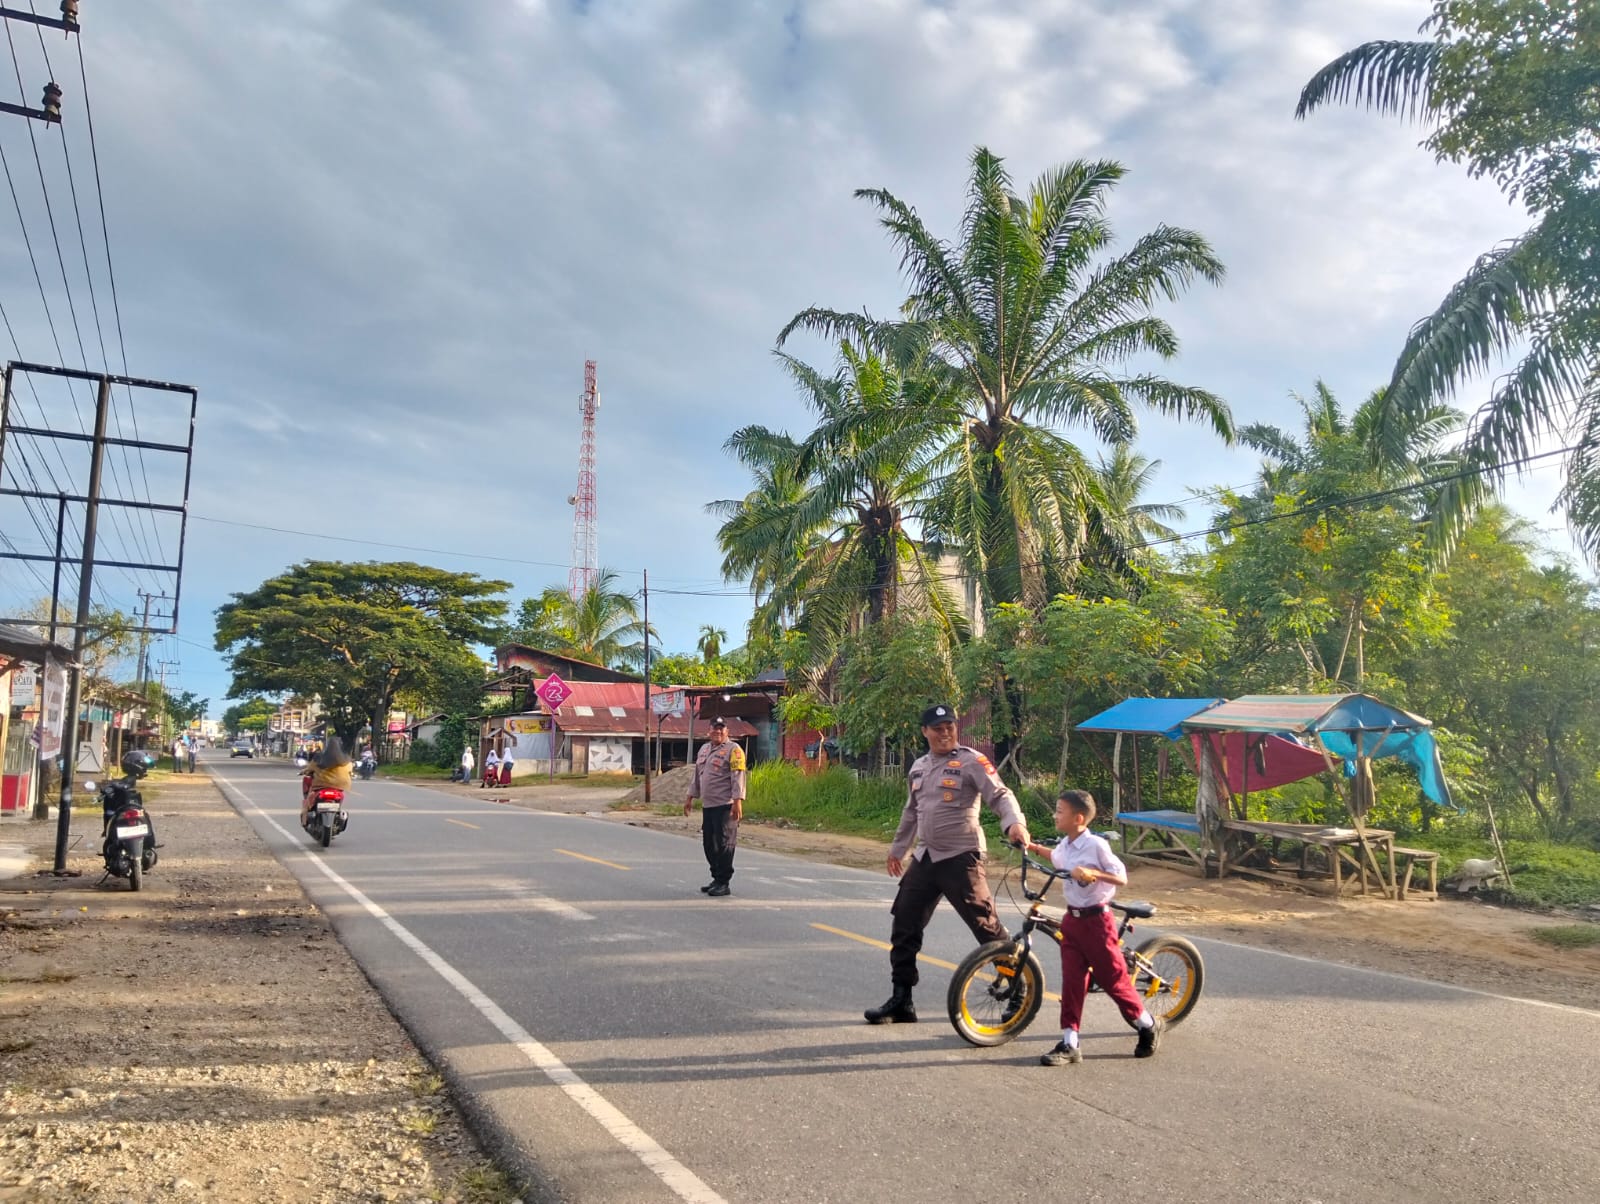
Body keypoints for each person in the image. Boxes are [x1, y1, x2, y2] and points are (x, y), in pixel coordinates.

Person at [864, 703, 1031, 1025]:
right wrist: (898, 849)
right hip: (926, 858)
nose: (945, 733)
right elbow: (911, 811)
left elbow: (1000, 794)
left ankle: (1018, 990)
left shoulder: (971, 761)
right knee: (904, 923)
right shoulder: (919, 766)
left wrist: (1014, 824)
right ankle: (902, 1000)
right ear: (925, 731)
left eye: (950, 727)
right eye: (938, 728)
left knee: (985, 926)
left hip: (961, 856)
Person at [1026, 789, 1164, 1065]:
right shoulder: (1066, 844)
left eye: (1060, 811)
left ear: (1078, 818)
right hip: (1072, 922)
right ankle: (1070, 1043)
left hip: (1097, 923)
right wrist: (1029, 846)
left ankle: (1147, 1025)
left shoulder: (1096, 846)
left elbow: (1121, 877)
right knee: (1073, 982)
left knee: (1114, 981)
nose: (1055, 815)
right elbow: (1056, 858)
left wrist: (1093, 874)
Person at [684, 717, 745, 896]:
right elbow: (697, 775)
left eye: (721, 729)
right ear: (709, 731)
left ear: (727, 732)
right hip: (708, 805)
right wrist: (689, 797)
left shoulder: (734, 750)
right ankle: (716, 877)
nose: (718, 732)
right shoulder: (704, 749)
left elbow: (738, 776)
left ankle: (723, 882)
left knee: (725, 843)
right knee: (709, 843)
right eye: (715, 729)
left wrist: (737, 801)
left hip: (725, 805)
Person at [301, 736, 353, 825]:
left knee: (308, 798)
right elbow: (350, 771)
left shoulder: (319, 757)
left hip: (321, 784)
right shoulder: (346, 759)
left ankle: (305, 821)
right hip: (340, 785)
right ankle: (338, 813)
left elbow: (310, 768)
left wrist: (304, 771)